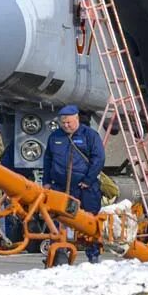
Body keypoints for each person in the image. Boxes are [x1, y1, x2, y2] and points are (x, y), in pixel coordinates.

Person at [43, 104, 106, 262]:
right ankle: (58, 253)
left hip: (84, 187)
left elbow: (98, 159)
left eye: (69, 122)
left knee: (90, 220)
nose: (66, 126)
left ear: (76, 119)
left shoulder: (90, 136)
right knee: (57, 220)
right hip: (60, 187)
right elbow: (48, 160)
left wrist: (88, 180)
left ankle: (93, 255)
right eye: (63, 123)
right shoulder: (55, 137)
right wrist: (46, 182)